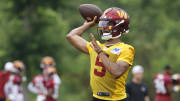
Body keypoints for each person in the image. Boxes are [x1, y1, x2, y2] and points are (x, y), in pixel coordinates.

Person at [66, 7, 135, 101]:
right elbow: (71, 36)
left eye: (108, 24)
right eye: (102, 24)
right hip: (96, 98)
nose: (103, 27)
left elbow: (116, 72)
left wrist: (100, 52)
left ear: (119, 26)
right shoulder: (96, 46)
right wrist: (88, 25)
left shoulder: (126, 49)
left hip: (115, 99)